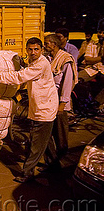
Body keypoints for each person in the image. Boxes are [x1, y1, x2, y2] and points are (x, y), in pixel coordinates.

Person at [0, 37, 58, 183]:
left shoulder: (41, 65)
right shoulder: (34, 62)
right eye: (30, 49)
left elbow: (18, 77)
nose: (33, 52)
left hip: (44, 109)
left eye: (36, 49)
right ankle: (54, 166)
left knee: (36, 142)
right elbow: (26, 69)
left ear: (41, 50)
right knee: (45, 140)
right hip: (41, 106)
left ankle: (27, 173)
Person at [43, 34, 78, 168]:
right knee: (46, 134)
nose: (45, 46)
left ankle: (62, 161)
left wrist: (62, 104)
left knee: (60, 136)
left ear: (54, 44)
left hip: (59, 103)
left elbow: (67, 84)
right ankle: (52, 163)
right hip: (48, 101)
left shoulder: (65, 60)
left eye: (46, 43)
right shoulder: (47, 58)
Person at [79, 19, 104, 107]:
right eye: (99, 32)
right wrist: (101, 58)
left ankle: (97, 103)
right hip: (91, 69)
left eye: (103, 33)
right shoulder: (92, 44)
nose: (101, 35)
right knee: (75, 79)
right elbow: (88, 59)